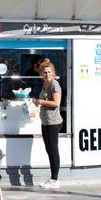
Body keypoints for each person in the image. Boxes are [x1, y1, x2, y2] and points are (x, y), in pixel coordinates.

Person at [31, 58, 63, 190]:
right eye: (44, 72)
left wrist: (40, 102)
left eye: (49, 72)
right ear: (41, 73)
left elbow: (56, 103)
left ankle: (55, 179)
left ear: (53, 73)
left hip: (53, 123)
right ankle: (52, 178)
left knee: (53, 150)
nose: (47, 74)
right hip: (46, 122)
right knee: (49, 150)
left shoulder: (54, 84)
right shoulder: (45, 84)